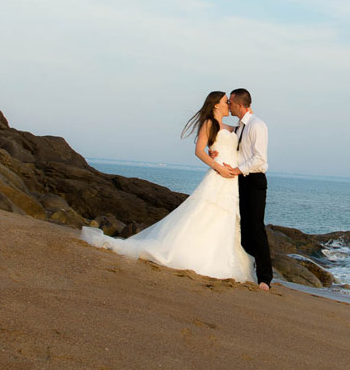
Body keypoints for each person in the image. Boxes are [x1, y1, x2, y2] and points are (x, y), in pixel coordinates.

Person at [80, 91, 256, 284]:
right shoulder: (209, 124)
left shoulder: (231, 127)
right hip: (218, 174)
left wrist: (248, 116)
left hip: (231, 179)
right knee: (205, 211)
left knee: (225, 215)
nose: (228, 104)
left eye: (230, 102)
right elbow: (199, 150)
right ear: (215, 105)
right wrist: (218, 167)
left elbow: (242, 133)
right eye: (225, 101)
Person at [224, 88, 272, 290]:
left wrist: (237, 169)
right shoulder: (240, 126)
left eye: (231, 103)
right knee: (243, 227)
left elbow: (260, 158)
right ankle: (248, 269)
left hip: (254, 180)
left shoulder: (257, 125)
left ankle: (265, 278)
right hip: (242, 179)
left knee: (256, 227)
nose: (229, 106)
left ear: (240, 105)